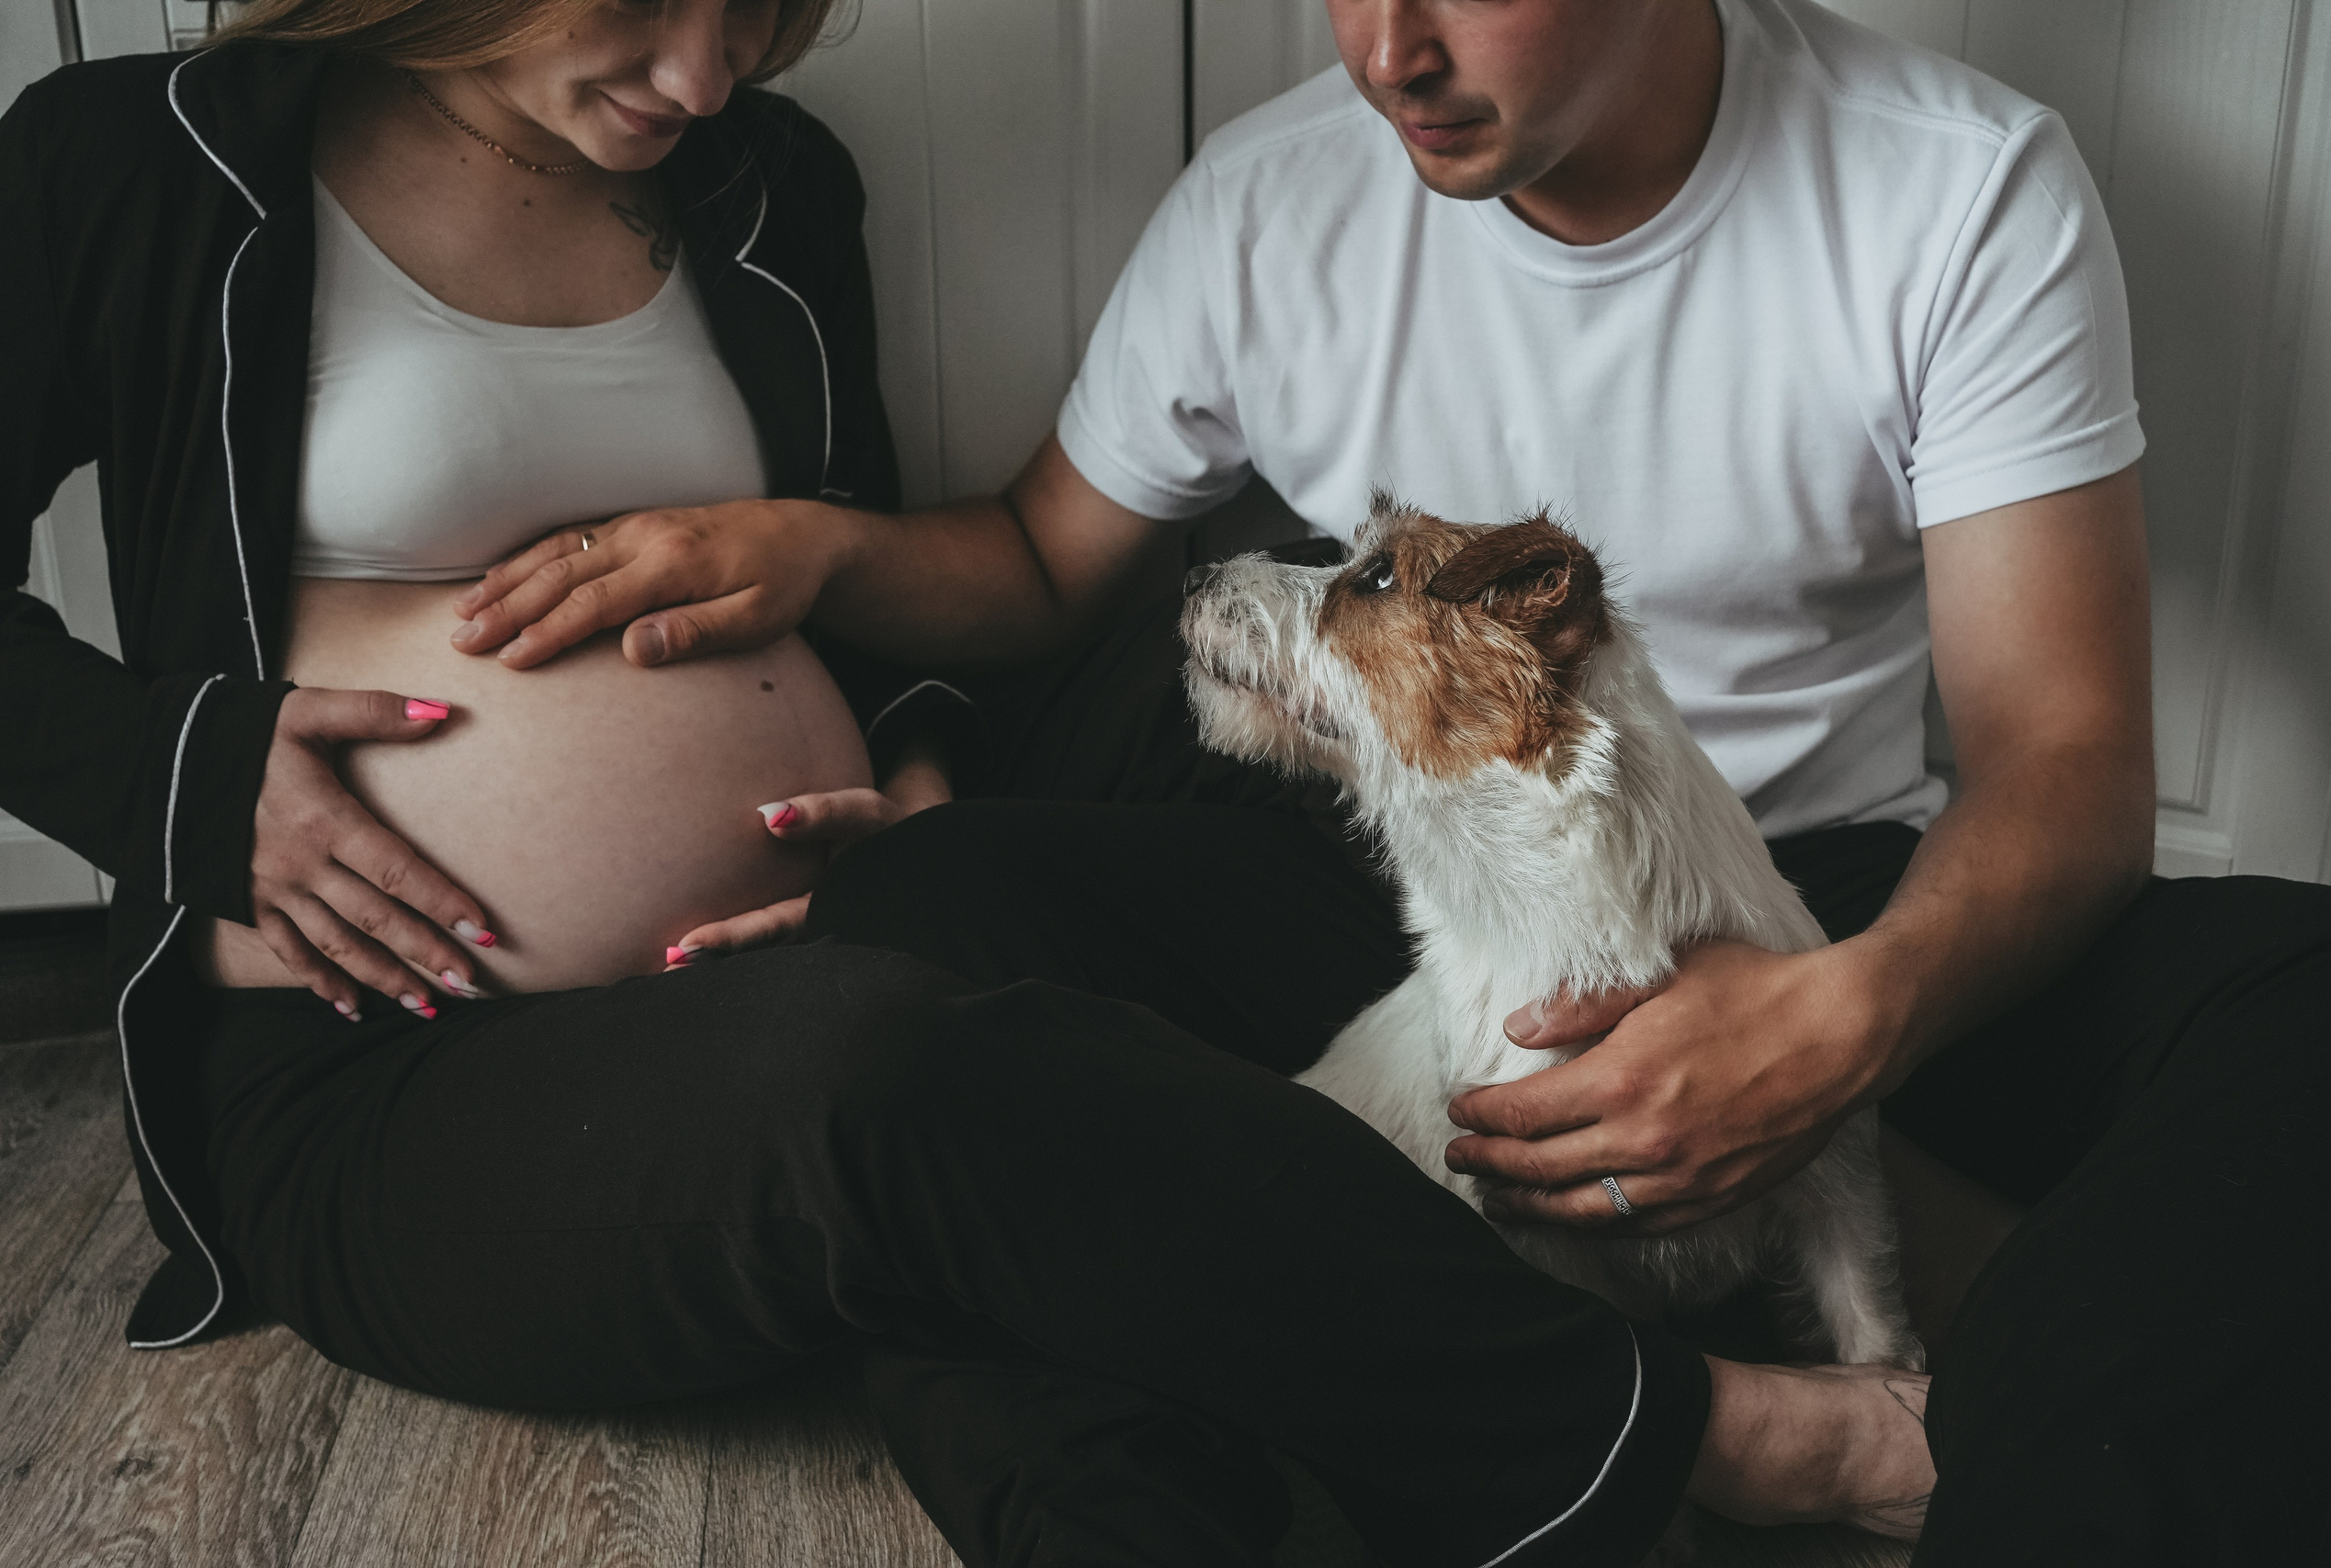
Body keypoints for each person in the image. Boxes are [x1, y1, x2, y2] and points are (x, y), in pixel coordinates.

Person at [0, 0, 1945, 1564]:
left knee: (1188, 730)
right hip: (402, 1067)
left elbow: (850, 582)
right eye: (650, 7)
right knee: (897, 1077)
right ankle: (1711, 1431)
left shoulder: (763, 183)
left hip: (843, 929)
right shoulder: (144, 161)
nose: (706, 73)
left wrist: (925, 774)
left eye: (758, 13)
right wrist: (186, 778)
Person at [454, 0, 2331, 1564]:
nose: (1384, 50)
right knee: (911, 923)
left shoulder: (1951, 185)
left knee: (2319, 1007)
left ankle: (2019, 1497)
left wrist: (1838, 1024)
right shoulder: (1267, 197)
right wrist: (812, 549)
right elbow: (1039, 559)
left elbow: (2066, 762)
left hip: (1814, 899)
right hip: (1409, 914)